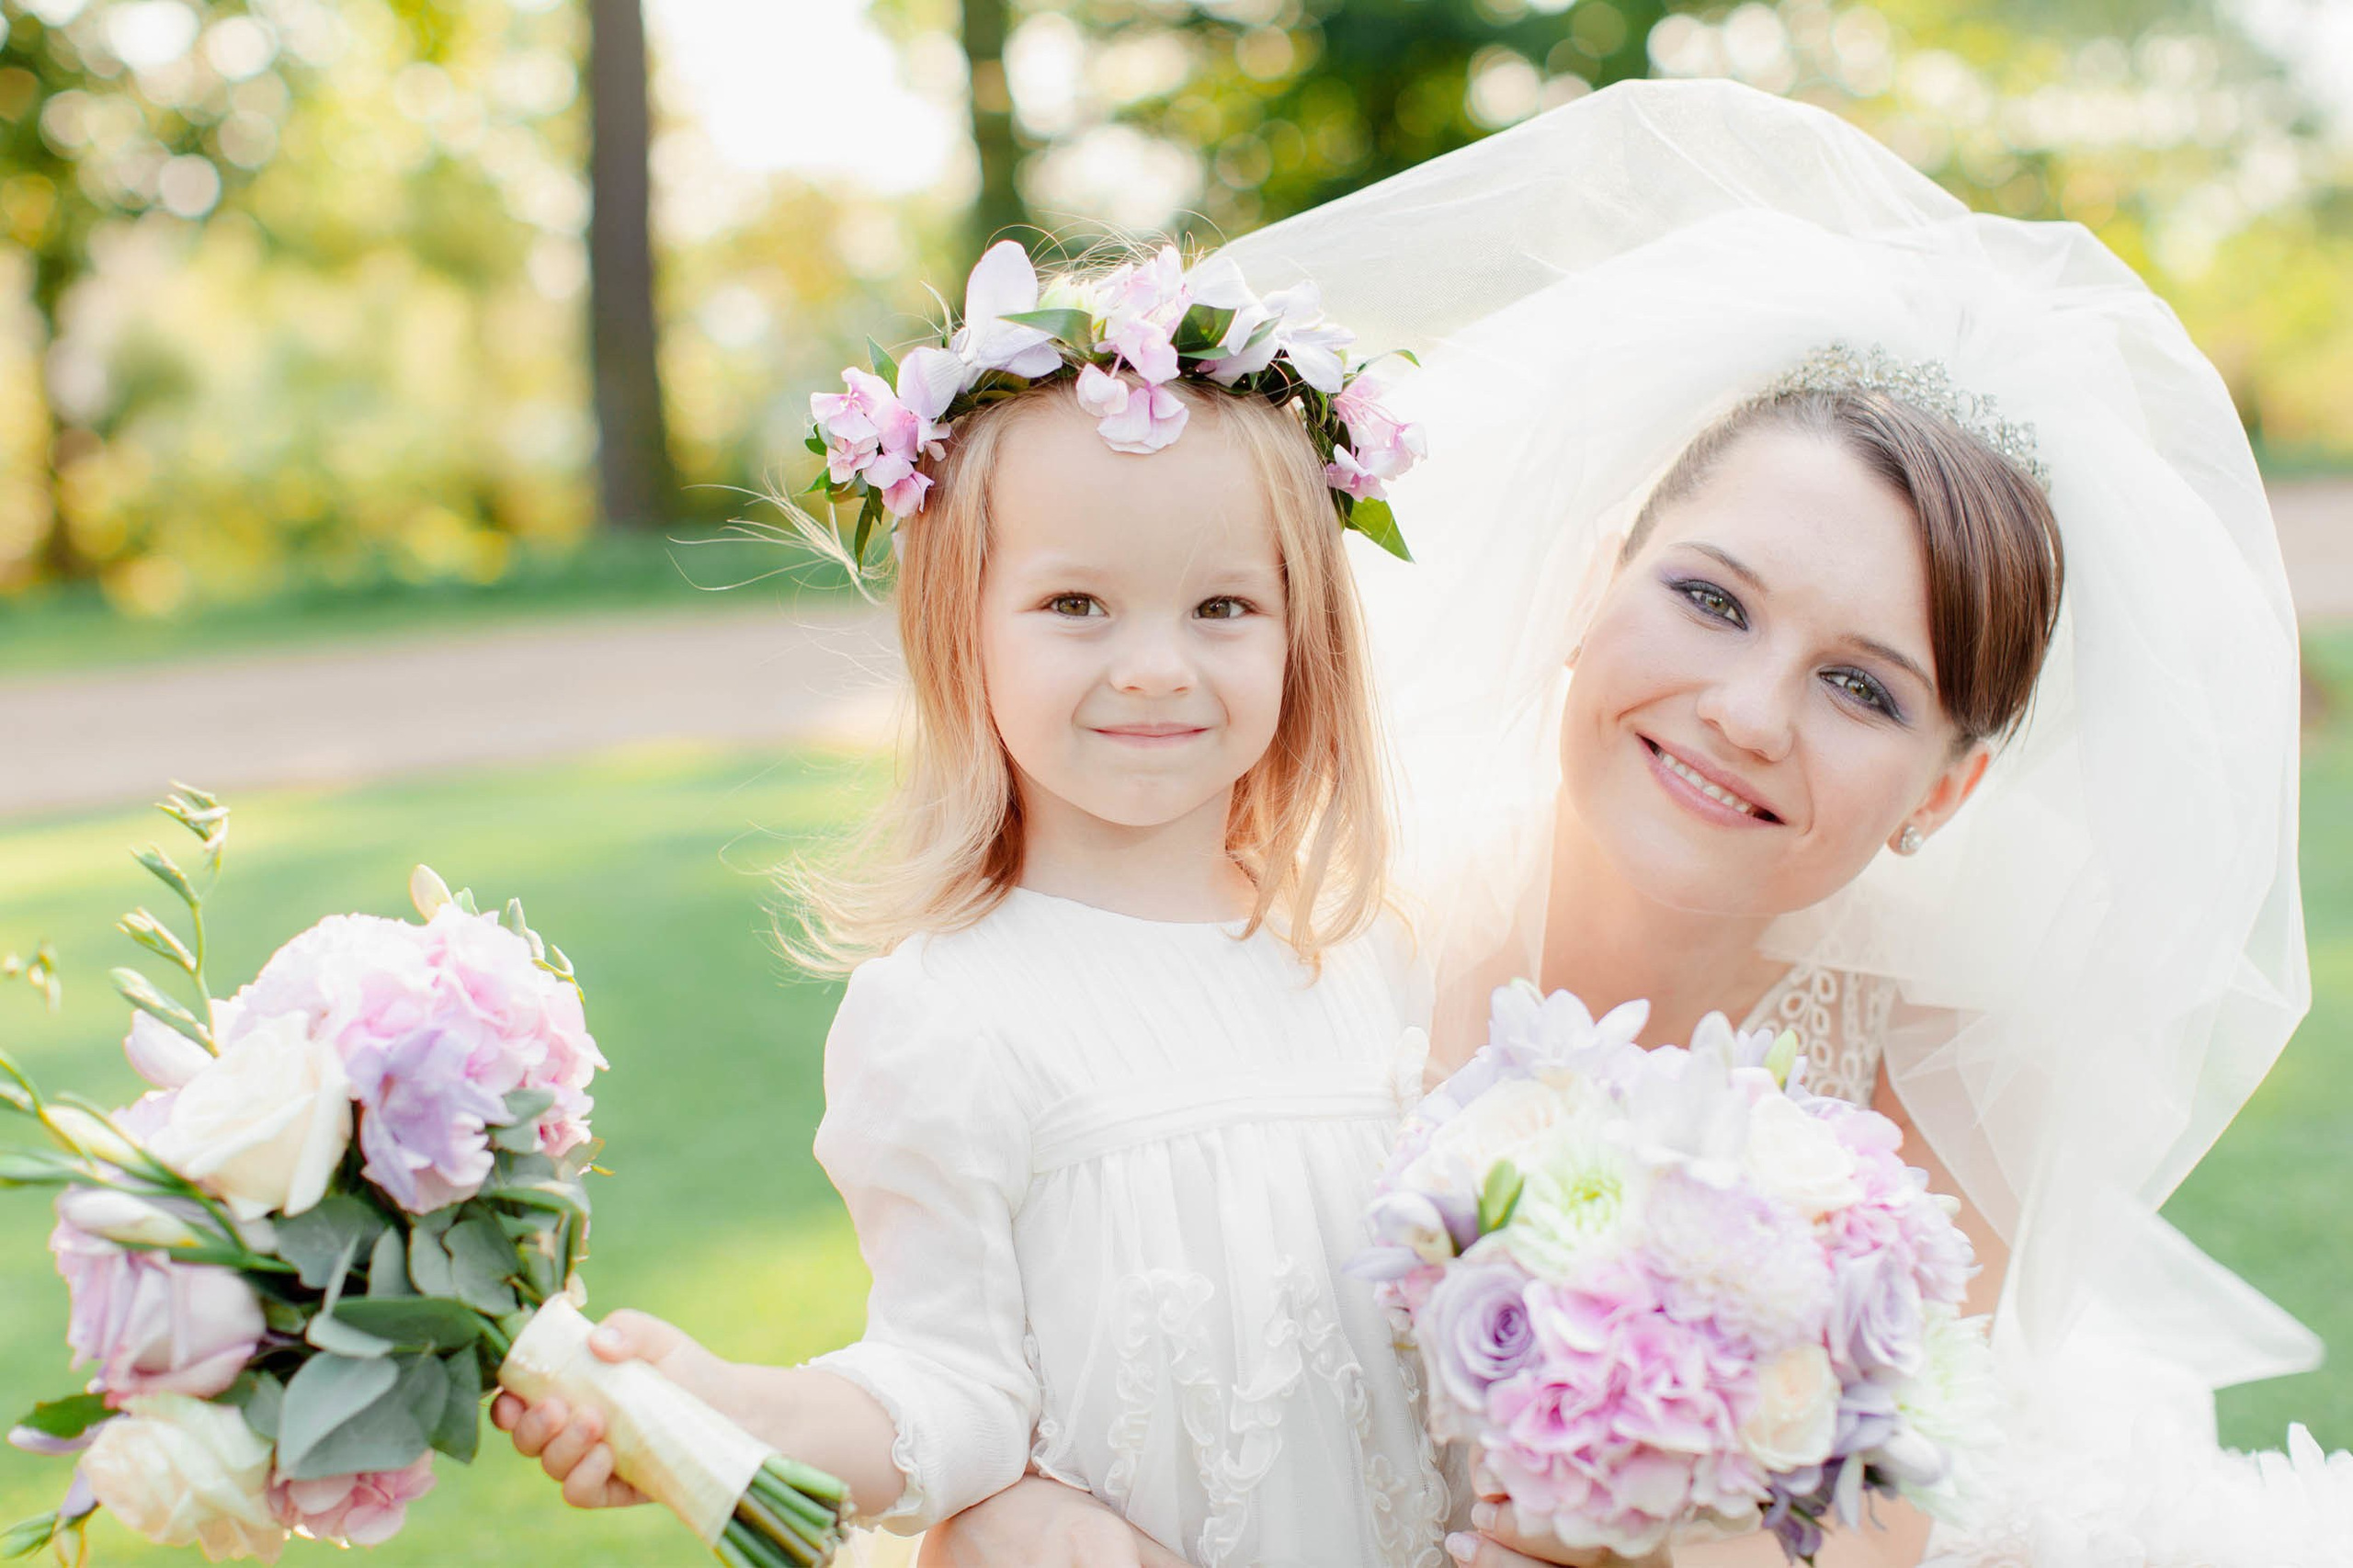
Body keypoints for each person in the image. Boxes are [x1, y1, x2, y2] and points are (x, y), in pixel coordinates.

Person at [926, 79, 2344, 1567]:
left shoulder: (1930, 1094)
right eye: (1711, 599)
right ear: (1595, 579)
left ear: (1944, 790)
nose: (1746, 708)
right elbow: (1029, 1402)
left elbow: (1860, 1535)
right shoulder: (1294, 934)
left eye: (1860, 686)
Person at [491, 241, 1459, 1568]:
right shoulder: (950, 1016)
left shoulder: (1367, 961)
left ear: (1305, 637)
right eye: (1076, 604)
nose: (1155, 666)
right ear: (965, 630)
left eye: (1224, 604)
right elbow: (952, 1391)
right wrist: (732, 1407)